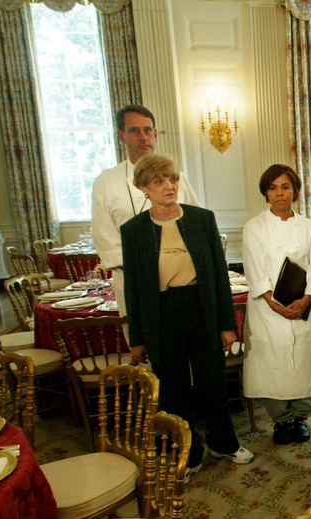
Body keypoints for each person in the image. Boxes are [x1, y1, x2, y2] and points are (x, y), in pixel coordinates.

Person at [121, 153, 253, 480]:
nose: (169, 186)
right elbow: (134, 288)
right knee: (173, 388)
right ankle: (187, 451)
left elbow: (219, 278)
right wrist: (137, 337)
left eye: (173, 179)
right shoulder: (134, 230)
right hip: (162, 314)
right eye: (159, 181)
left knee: (212, 381)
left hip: (200, 307)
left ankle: (224, 442)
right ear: (143, 188)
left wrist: (227, 324)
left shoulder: (201, 219)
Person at [242, 164, 311, 445]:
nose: (280, 194)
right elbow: (254, 269)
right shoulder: (254, 227)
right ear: (265, 193)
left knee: (303, 362)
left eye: (286, 187)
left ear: (295, 191)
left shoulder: (309, 227)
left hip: (302, 306)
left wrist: (306, 298)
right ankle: (281, 420)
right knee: (273, 365)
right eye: (273, 188)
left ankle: (300, 418)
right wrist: (273, 304)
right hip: (268, 310)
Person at [92, 105, 201, 318]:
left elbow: (194, 224)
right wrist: (145, 267)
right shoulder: (106, 182)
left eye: (148, 130)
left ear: (155, 134)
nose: (143, 137)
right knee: (144, 347)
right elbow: (105, 237)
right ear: (121, 136)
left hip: (181, 283)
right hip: (133, 280)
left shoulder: (175, 175)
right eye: (134, 131)